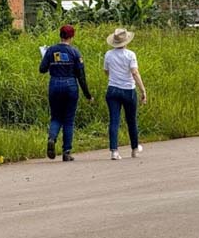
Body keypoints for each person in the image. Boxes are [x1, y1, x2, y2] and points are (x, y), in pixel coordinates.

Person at [40, 25, 94, 162]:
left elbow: (42, 69)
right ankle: (66, 152)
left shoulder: (51, 50)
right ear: (72, 36)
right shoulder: (75, 52)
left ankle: (52, 138)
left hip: (54, 84)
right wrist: (88, 95)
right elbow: (81, 76)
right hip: (70, 85)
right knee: (68, 120)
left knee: (56, 117)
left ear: (60, 35)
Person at [104, 28, 147, 160]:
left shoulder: (108, 54)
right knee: (131, 120)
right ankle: (134, 149)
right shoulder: (130, 55)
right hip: (128, 90)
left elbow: (106, 71)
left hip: (112, 89)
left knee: (114, 121)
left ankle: (114, 151)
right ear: (126, 41)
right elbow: (134, 72)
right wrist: (143, 90)